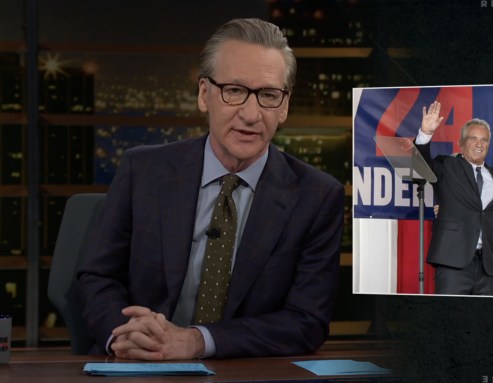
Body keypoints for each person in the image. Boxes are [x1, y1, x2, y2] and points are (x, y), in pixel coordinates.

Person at [77, 18, 344, 360]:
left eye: (268, 95)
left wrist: (196, 341)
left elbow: (306, 321)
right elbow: (98, 276)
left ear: (285, 106)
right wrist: (124, 337)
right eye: (234, 91)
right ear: (205, 94)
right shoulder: (143, 171)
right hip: (138, 366)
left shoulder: (317, 196)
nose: (251, 114)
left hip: (244, 372)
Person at [414, 101, 493, 295]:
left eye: (484, 140)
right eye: (473, 138)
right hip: (453, 262)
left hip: (487, 268)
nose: (480, 144)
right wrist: (425, 134)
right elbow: (420, 171)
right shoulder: (447, 165)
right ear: (461, 143)